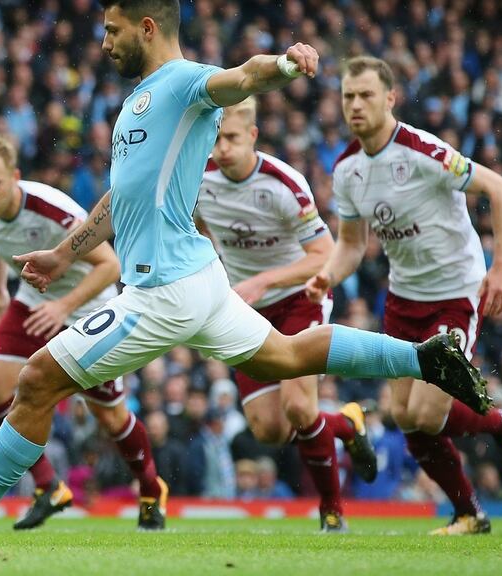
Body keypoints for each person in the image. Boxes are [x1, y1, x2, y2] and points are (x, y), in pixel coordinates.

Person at [0, 0, 489, 544]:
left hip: (163, 290)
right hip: (198, 278)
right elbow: (122, 195)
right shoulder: (140, 99)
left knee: (33, 381)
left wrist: (285, 64)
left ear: (147, 27)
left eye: (113, 30)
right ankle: (425, 358)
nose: (104, 43)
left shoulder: (182, 83)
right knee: (286, 356)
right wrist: (63, 254)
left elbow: (241, 78)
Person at [304, 56, 502, 535]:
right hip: (403, 298)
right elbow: (351, 244)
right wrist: (327, 275)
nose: (355, 105)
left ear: (390, 98)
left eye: (366, 95)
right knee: (406, 419)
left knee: (428, 413)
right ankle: (469, 513)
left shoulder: (422, 150)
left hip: (455, 292)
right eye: (348, 96)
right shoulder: (346, 168)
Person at [0, 133, 166, 530]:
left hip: (88, 306)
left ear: (15, 177)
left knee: (110, 419)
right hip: (33, 299)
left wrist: (63, 307)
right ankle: (48, 485)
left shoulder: (48, 211)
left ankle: (149, 487)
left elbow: (109, 266)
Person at [195, 96, 376, 532]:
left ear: (253, 136)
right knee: (269, 430)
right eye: (215, 139)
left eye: (232, 138)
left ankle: (331, 508)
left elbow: (324, 255)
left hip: (299, 298)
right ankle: (345, 425)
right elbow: (198, 231)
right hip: (246, 309)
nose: (222, 148)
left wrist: (262, 281)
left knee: (298, 406)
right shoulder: (199, 181)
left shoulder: (283, 184)